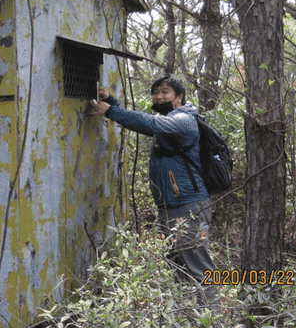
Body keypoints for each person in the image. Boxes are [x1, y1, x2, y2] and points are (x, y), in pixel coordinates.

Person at [90, 73, 217, 303]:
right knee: (179, 270)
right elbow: (145, 123)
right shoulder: (169, 122)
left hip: (188, 206)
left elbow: (151, 122)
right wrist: (114, 103)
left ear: (179, 97)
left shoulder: (184, 120)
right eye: (155, 93)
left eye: (165, 92)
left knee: (199, 271)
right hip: (171, 208)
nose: (158, 97)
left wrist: (110, 110)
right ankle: (188, 321)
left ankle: (214, 326)